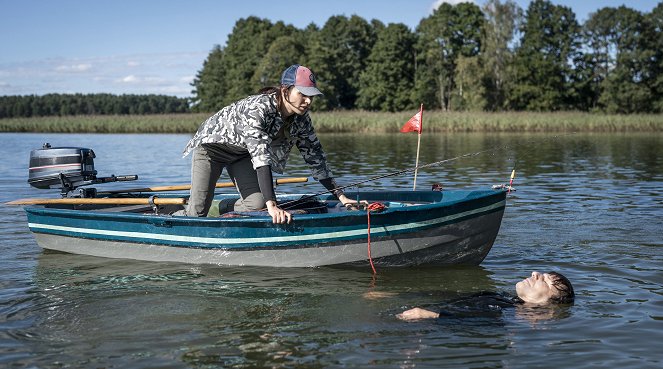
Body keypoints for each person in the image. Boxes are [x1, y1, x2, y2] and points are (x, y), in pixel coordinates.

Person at [176, 64, 359, 223]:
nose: (308, 101)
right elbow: (261, 159)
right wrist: (273, 206)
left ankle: (223, 208)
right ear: (285, 89)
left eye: (312, 96)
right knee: (197, 213)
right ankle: (174, 216)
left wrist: (342, 197)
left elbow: (316, 159)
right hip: (211, 150)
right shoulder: (258, 108)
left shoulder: (301, 119)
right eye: (302, 94)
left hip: (242, 154)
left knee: (257, 205)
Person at [397, 271, 575, 320]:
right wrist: (397, 294)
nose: (535, 272)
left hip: (418, 319)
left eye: (543, 280)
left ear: (548, 305)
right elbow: (451, 297)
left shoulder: (506, 314)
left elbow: (472, 320)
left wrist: (431, 315)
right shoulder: (504, 299)